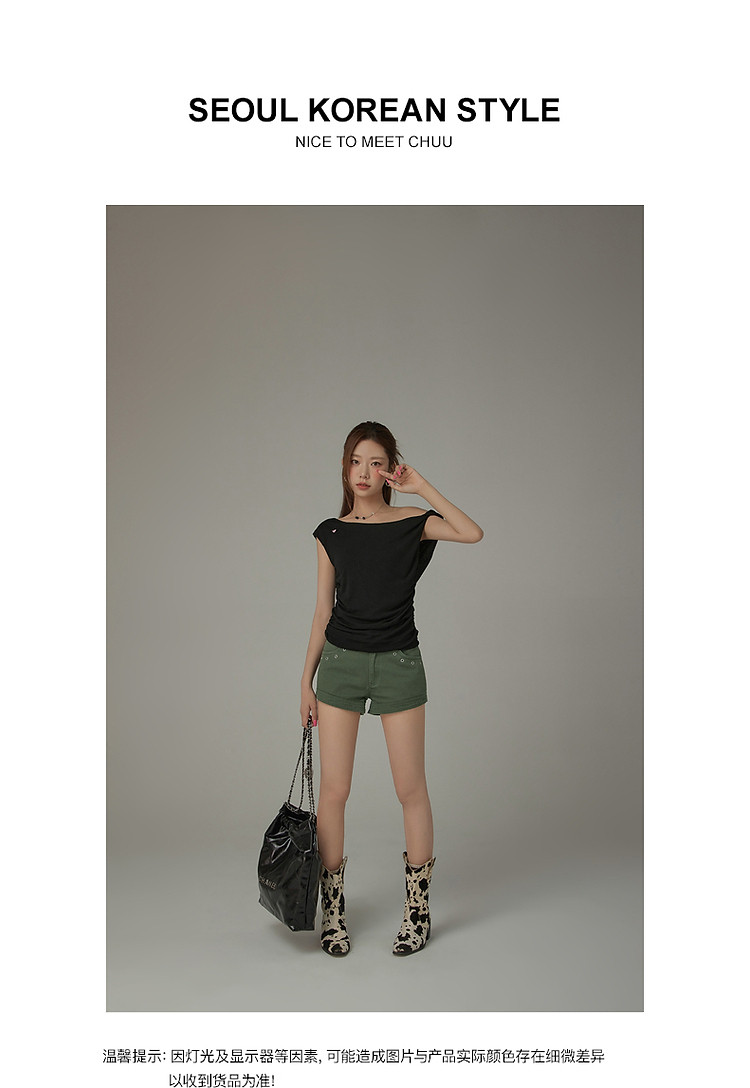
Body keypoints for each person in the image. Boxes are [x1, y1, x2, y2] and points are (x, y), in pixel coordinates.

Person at [300, 421, 483, 957]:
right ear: (345, 468)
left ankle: (418, 913)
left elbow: (471, 532)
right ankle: (333, 914)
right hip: (340, 666)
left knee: (410, 789)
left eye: (376, 462)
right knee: (334, 791)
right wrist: (305, 681)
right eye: (356, 461)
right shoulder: (330, 533)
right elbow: (321, 612)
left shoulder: (411, 522)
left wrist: (421, 487)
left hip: (400, 663)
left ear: (390, 470)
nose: (364, 472)